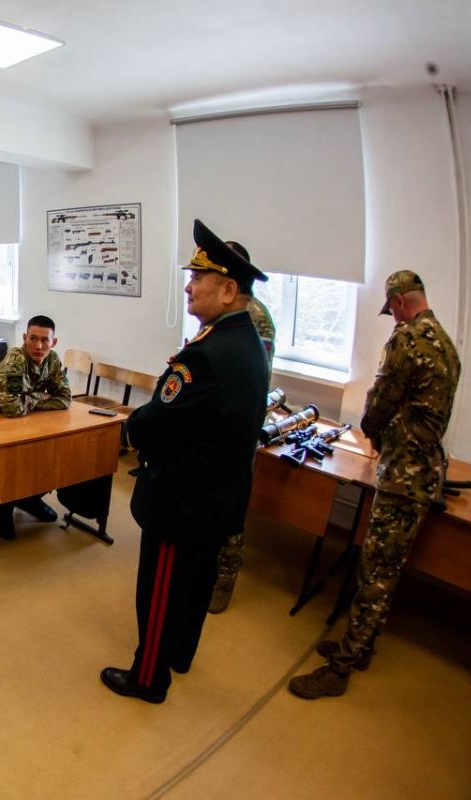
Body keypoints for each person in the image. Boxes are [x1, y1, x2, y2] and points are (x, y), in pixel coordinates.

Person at [100, 219, 269, 704]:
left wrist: (132, 426)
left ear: (229, 290)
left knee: (162, 589)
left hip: (183, 499)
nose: (189, 287)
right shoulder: (248, 343)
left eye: (198, 278)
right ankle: (179, 653)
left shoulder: (206, 355)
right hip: (220, 495)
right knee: (195, 584)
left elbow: (159, 422)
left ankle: (148, 677)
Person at [288, 270, 460, 699]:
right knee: (389, 567)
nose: (393, 318)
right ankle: (362, 646)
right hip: (423, 471)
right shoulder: (445, 343)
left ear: (400, 301)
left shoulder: (408, 339)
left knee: (376, 571)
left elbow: (380, 403)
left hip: (402, 475)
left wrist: (373, 432)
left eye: (392, 310)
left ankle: (340, 669)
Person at [209, 239, 277, 614]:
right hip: (216, 419)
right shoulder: (222, 314)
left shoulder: (254, 317)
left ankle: (225, 577)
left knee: (230, 505)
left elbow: (253, 377)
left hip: (238, 423)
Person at [0, 315, 72, 540]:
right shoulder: (15, 362)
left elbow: (64, 398)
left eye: (45, 340)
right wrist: (42, 396)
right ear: (25, 338)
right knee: (16, 464)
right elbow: (12, 408)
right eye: (33, 339)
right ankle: (3, 507)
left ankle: (29, 498)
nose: (38, 346)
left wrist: (30, 400)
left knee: (51, 459)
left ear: (54, 342)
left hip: (32, 420)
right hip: (0, 424)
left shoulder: (53, 360)